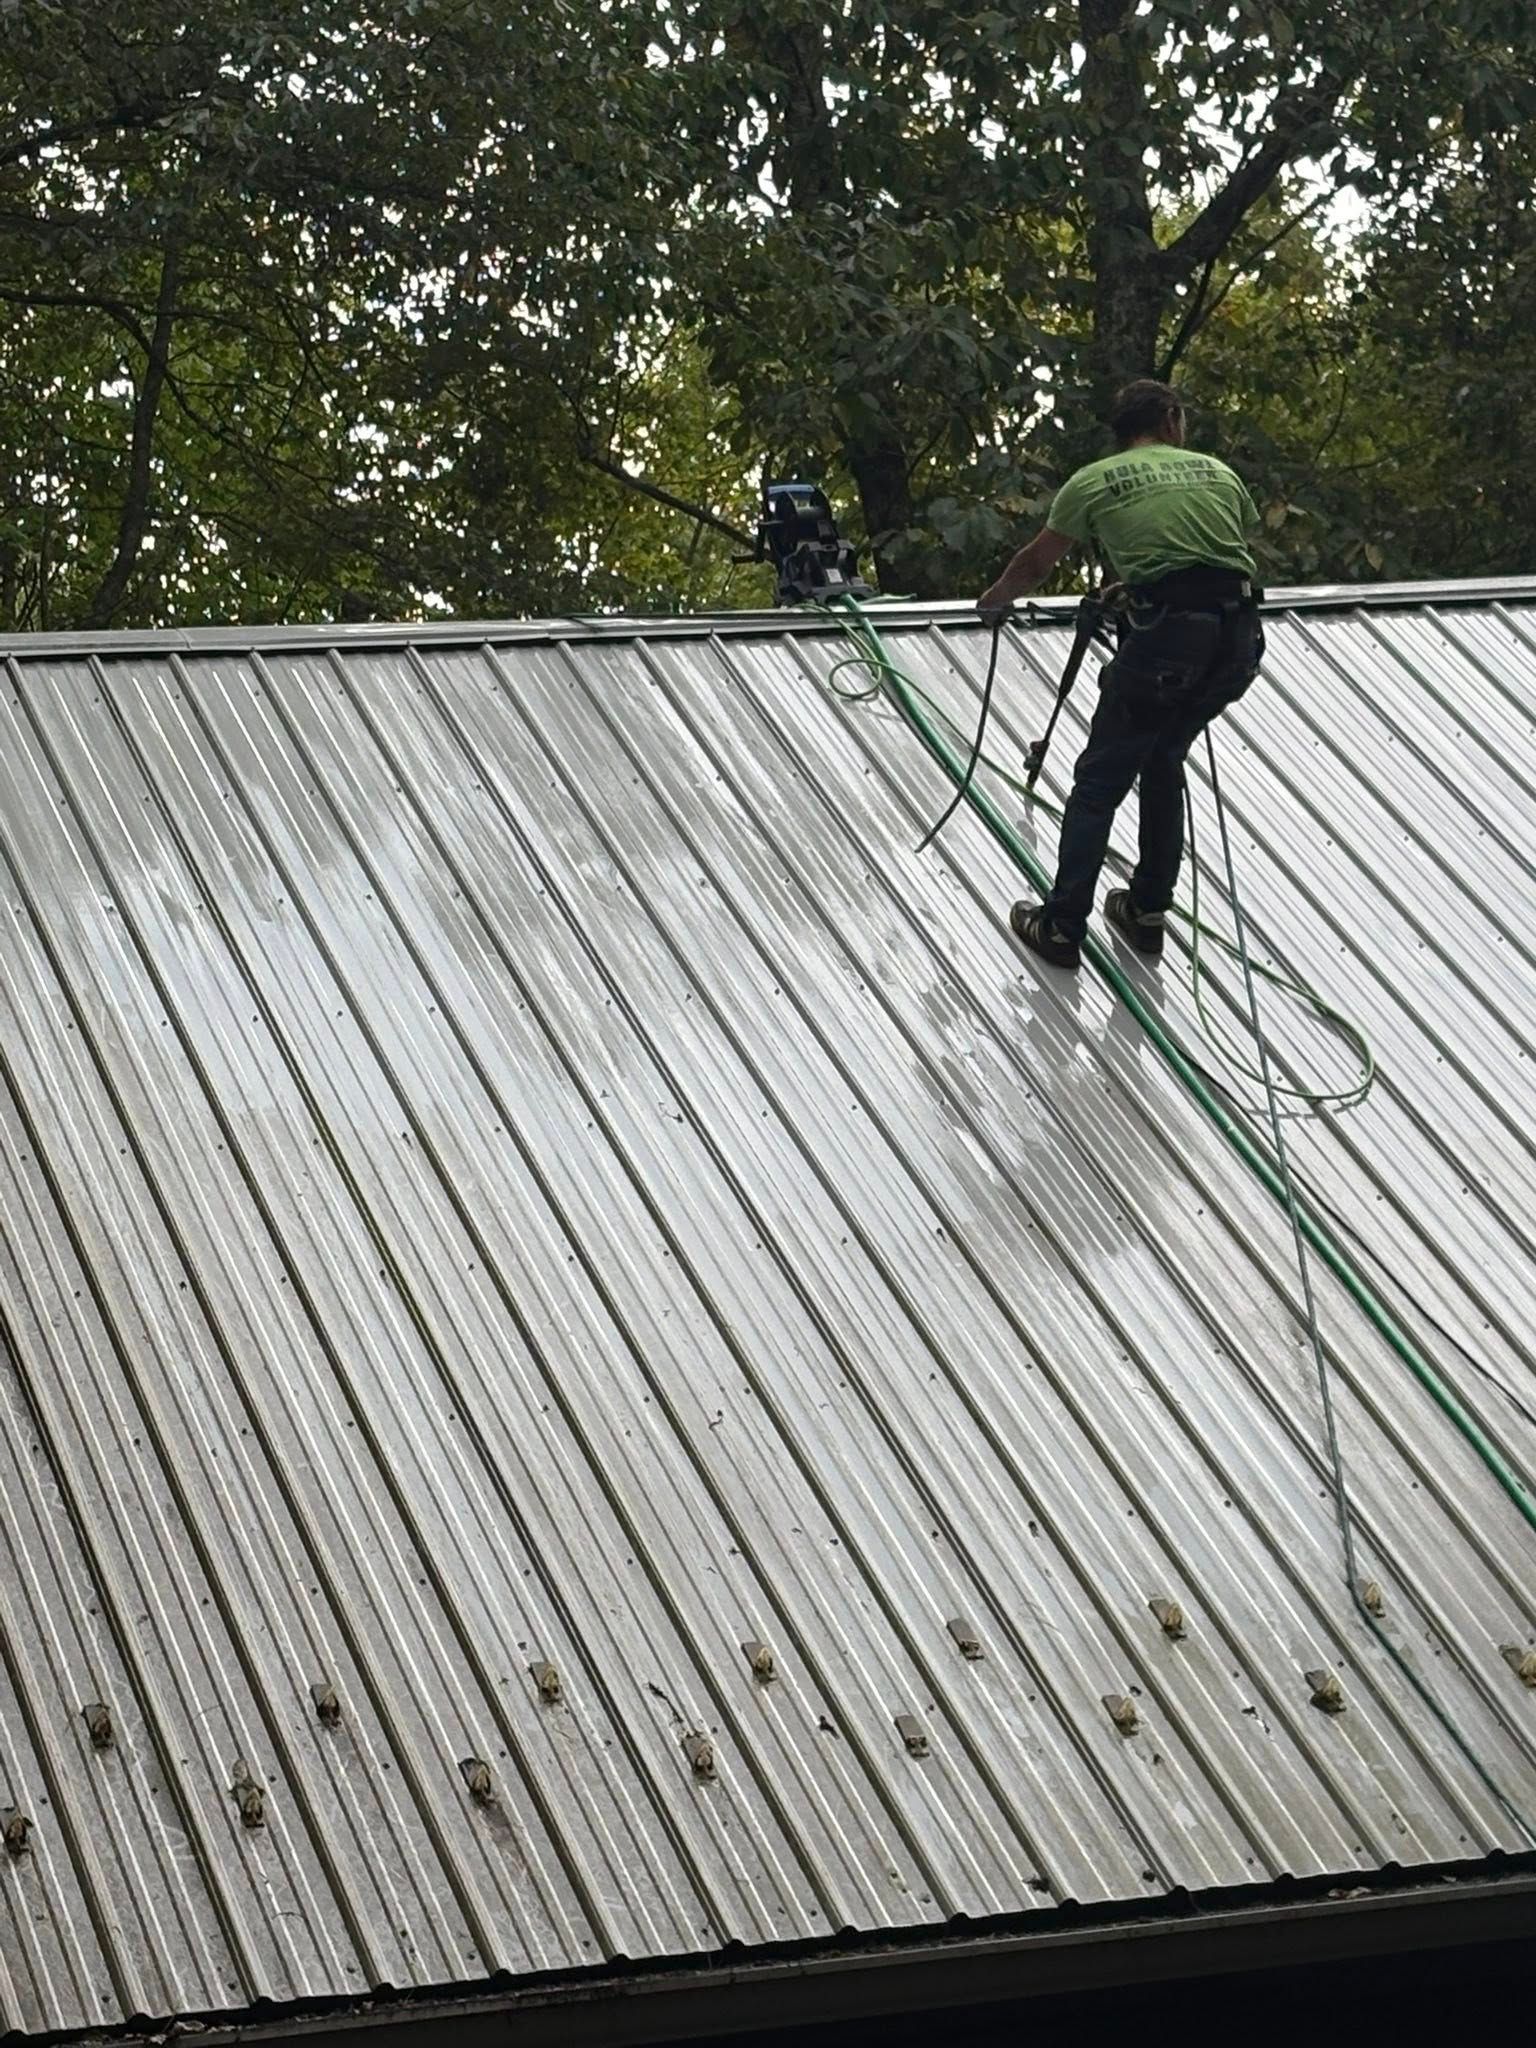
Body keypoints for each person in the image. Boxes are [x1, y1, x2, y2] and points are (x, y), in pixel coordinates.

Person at [976, 378, 1264, 969]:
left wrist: (992, 602)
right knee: (1164, 759)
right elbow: (1213, 554)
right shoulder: (1217, 472)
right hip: (1237, 640)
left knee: (1100, 781)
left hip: (1165, 645)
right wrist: (1141, 584)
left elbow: (1034, 563)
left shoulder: (1093, 480)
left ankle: (1062, 925)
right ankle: (1147, 911)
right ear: (1171, 421)